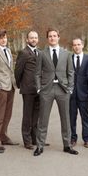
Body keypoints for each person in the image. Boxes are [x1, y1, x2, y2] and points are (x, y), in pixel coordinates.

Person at [34, 28, 78, 156]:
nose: (52, 38)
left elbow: (71, 72)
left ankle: (67, 145)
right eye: (50, 36)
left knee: (65, 118)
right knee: (43, 119)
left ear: (58, 37)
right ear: (47, 39)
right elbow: (37, 73)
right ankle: (40, 146)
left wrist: (70, 88)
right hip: (46, 90)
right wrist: (39, 88)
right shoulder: (42, 54)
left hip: (62, 89)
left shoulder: (67, 54)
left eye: (54, 36)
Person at [0, 30, 19, 149]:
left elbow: (10, 69)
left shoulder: (8, 50)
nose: (4, 40)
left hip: (11, 86)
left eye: (5, 37)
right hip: (1, 87)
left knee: (8, 114)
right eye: (1, 38)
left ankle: (3, 136)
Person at [14, 30, 40, 150]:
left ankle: (35, 139)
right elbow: (18, 71)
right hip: (28, 89)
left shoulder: (39, 52)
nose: (33, 39)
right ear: (27, 39)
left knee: (36, 115)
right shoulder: (24, 53)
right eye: (31, 38)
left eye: (35, 38)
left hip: (38, 89)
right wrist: (20, 84)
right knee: (27, 116)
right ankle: (27, 141)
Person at [70, 38, 88, 148]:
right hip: (71, 95)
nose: (77, 47)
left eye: (78, 44)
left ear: (82, 45)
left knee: (85, 118)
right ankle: (73, 138)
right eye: (74, 45)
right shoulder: (69, 58)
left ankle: (86, 138)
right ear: (72, 47)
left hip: (84, 94)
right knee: (71, 118)